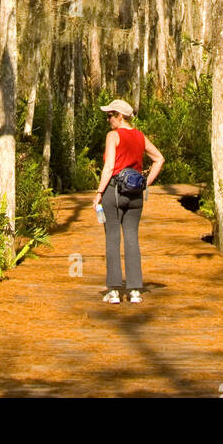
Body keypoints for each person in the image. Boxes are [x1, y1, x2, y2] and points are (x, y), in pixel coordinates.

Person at [93, 99, 164, 304]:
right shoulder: (140, 136)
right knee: (132, 238)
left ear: (120, 117)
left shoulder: (113, 136)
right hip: (135, 195)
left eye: (110, 115)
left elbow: (109, 167)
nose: (108, 119)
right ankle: (134, 291)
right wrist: (145, 183)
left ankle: (114, 291)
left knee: (113, 239)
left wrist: (99, 192)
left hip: (114, 192)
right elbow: (159, 159)